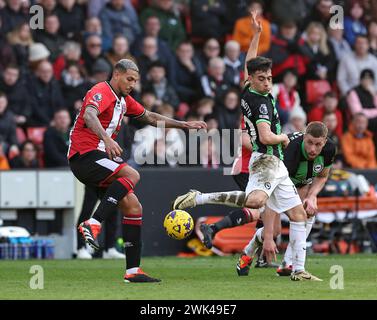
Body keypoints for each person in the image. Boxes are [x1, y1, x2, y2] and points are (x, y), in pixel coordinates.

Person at [172, 11, 321, 281]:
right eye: (262, 78)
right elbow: (265, 137)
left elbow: (248, 63)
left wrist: (256, 35)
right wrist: (285, 137)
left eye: (269, 77)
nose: (267, 82)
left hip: (276, 166)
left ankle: (298, 270)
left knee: (298, 214)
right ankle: (200, 198)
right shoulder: (261, 102)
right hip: (266, 159)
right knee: (255, 204)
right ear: (253, 79)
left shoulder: (247, 89)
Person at [69, 59, 206, 283]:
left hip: (99, 156)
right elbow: (89, 115)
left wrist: (183, 125)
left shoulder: (123, 101)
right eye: (129, 79)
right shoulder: (101, 90)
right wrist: (106, 139)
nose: (133, 84)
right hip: (85, 155)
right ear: (116, 74)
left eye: (135, 80)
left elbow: (151, 117)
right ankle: (93, 223)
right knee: (132, 174)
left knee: (133, 207)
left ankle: (132, 271)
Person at [239, 122, 336, 277]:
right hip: (270, 180)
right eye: (309, 142)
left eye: (318, 144)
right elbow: (270, 196)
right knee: (275, 230)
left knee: (308, 211)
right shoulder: (291, 151)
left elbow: (322, 176)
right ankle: (248, 253)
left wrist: (312, 196)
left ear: (325, 141)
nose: (313, 149)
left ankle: (288, 264)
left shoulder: (330, 148)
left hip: (300, 182)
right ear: (304, 137)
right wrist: (269, 238)